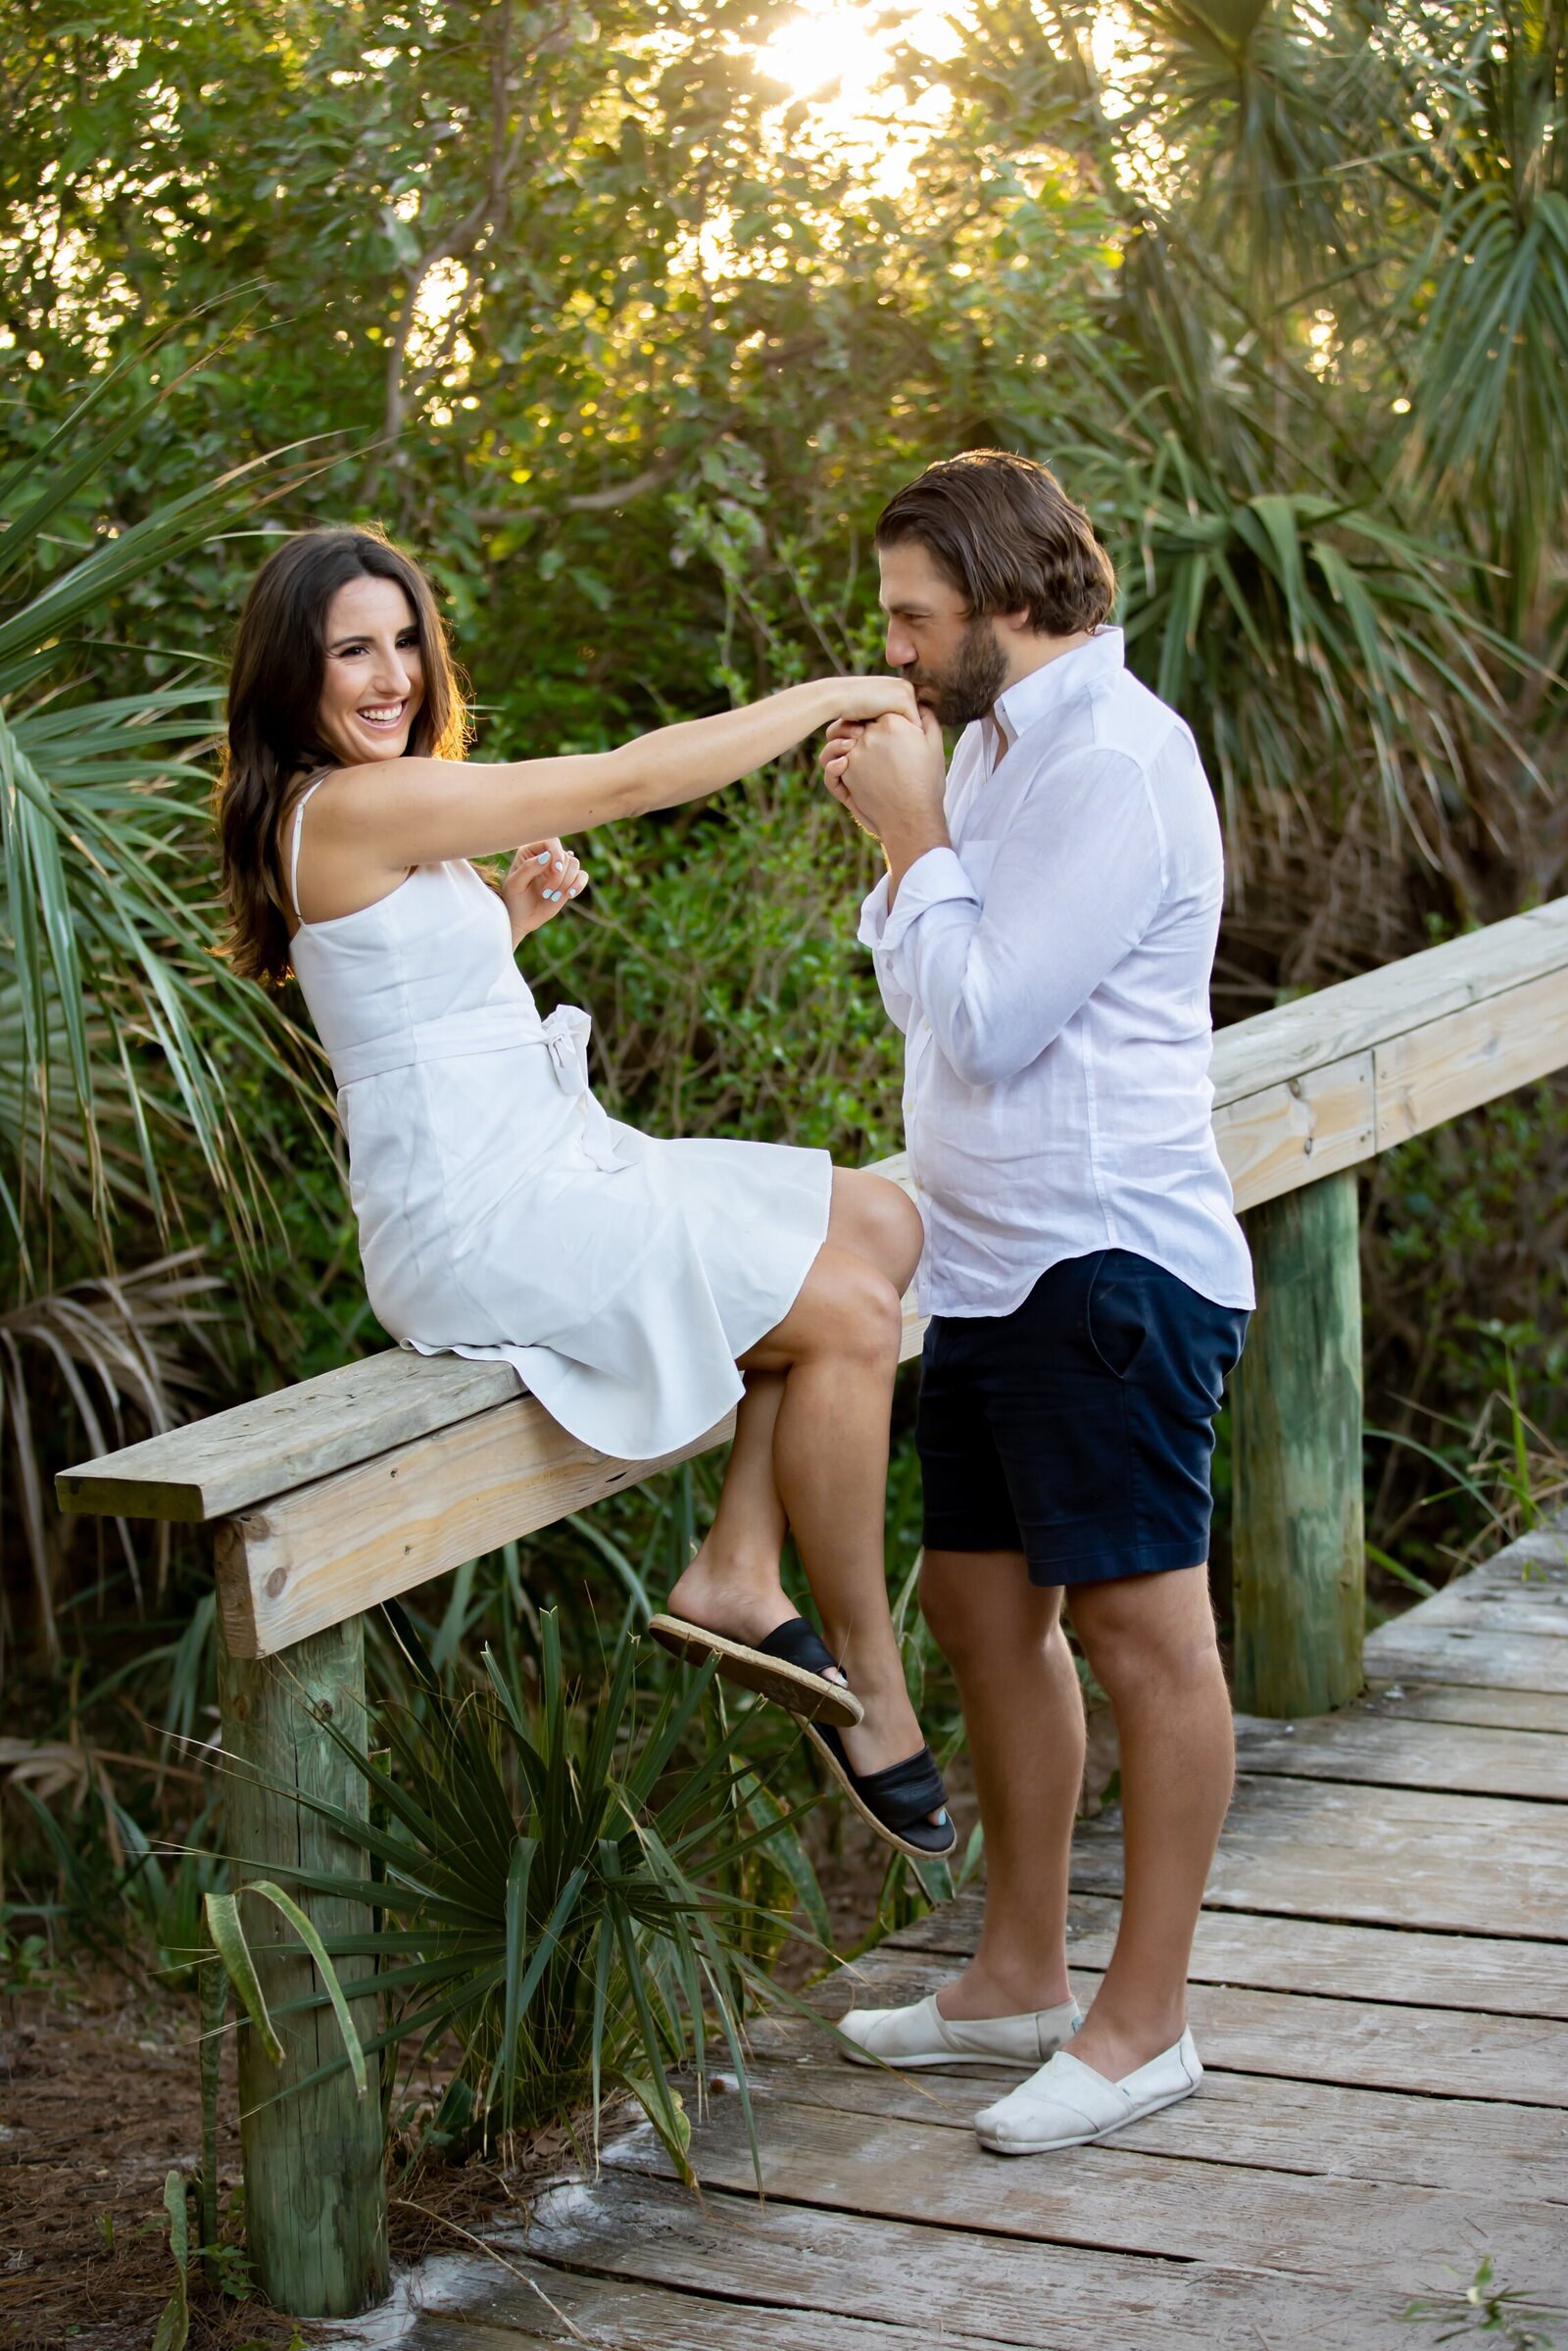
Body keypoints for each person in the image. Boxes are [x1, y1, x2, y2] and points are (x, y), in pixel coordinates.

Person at [216, 525, 953, 1859]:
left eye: (404, 642)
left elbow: (395, 1009)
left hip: (548, 1166)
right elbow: (627, 779)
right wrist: (836, 699)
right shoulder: (349, 802)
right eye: (351, 652)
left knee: (887, 1222)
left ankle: (737, 1563)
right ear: (293, 675)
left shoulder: (373, 811)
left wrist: (505, 924)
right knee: (845, 1310)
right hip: (484, 1221)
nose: (390, 676)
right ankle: (872, 1680)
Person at [819, 450, 1253, 2148]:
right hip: (990, 1265)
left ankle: (1146, 2025)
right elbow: (921, 976)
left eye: (917, 622)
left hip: (1109, 1263)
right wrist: (915, 832)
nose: (897, 655)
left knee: (1144, 1632)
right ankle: (1017, 1974)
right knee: (978, 1609)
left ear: (1010, 601)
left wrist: (914, 833)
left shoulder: (1117, 767)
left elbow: (986, 1018)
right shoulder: (990, 745)